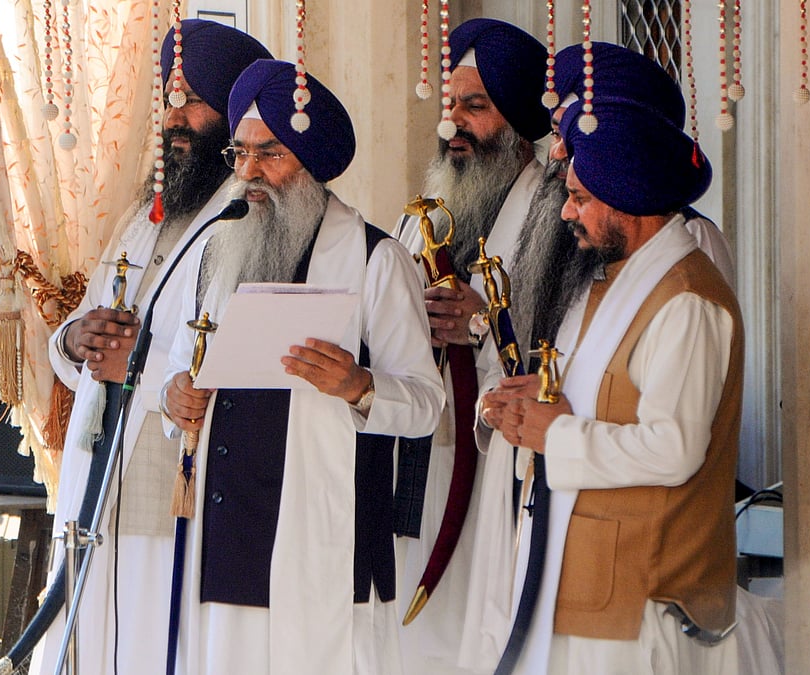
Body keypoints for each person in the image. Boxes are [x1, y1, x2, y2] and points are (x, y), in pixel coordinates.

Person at [160, 59, 444, 675]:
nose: (249, 173)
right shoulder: (217, 248)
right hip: (227, 538)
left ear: (312, 162)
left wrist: (360, 386)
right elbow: (184, 369)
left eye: (272, 154)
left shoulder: (376, 258)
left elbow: (425, 404)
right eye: (241, 153)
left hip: (324, 545)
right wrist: (174, 396)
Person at [29, 19, 271, 675]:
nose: (175, 115)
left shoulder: (247, 221)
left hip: (167, 473)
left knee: (145, 638)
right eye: (170, 96)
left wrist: (139, 363)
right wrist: (76, 340)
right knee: (88, 633)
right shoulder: (148, 213)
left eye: (193, 98)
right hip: (97, 463)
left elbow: (246, 371)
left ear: (229, 112)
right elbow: (77, 337)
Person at [489, 95, 743, 674]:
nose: (565, 213)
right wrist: (529, 405)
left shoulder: (685, 299)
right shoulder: (617, 282)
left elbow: (674, 448)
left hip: (640, 601)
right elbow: (598, 404)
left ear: (629, 201)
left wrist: (555, 435)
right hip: (589, 588)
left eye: (579, 198)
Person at [388, 18, 550, 675]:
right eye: (451, 105)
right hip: (411, 458)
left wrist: (485, 320)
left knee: (470, 638)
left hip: (495, 472)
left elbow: (574, 342)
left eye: (475, 106)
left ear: (515, 122)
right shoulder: (421, 211)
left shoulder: (556, 215)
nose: (453, 123)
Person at [549, 41, 736, 288]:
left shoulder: (693, 235)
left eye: (574, 135)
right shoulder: (564, 229)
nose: (557, 152)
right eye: (556, 133)